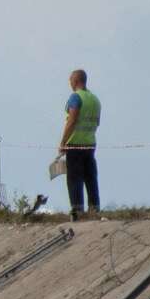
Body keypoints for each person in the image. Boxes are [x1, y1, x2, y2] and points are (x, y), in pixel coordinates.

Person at [59, 69, 101, 219]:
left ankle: (77, 210)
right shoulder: (95, 99)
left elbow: (72, 119)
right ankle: (94, 207)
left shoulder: (76, 98)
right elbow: (97, 122)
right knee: (90, 176)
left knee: (74, 178)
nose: (69, 84)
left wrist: (63, 141)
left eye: (70, 81)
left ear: (76, 81)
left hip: (75, 143)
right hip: (90, 143)